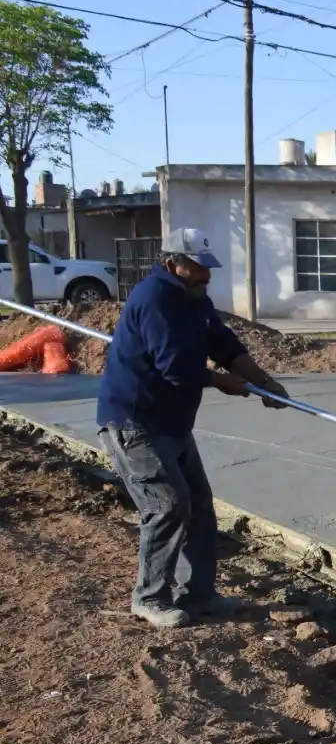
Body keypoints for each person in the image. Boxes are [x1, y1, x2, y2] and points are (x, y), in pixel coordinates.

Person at [97, 228, 290, 628]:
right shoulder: (155, 299)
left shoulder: (194, 298)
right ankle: (150, 597)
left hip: (173, 423)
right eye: (197, 268)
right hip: (135, 424)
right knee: (167, 505)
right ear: (172, 263)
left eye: (208, 268)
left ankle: (199, 595)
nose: (206, 275)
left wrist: (264, 381)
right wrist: (226, 383)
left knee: (199, 507)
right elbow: (175, 368)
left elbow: (223, 343)